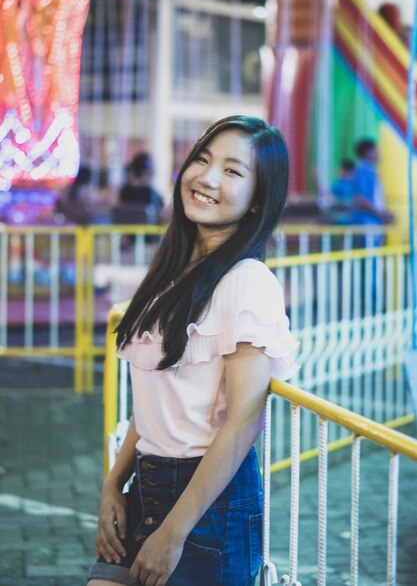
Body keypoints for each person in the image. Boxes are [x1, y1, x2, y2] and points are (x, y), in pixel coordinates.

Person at [87, 115, 298, 586]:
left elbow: (243, 421)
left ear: (256, 201)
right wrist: (113, 483)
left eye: (232, 170)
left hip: (208, 503)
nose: (206, 178)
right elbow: (159, 403)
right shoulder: (173, 275)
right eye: (202, 160)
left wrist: (174, 531)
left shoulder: (248, 281)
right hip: (148, 483)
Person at [353, 138, 394, 245]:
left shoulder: (371, 171)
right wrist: (381, 214)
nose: (379, 153)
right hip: (367, 222)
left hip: (374, 221)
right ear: (368, 153)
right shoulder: (363, 171)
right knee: (369, 258)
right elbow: (361, 200)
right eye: (376, 150)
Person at [115, 153, 165, 225]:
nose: (154, 171)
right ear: (144, 171)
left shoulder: (125, 190)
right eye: (151, 168)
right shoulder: (149, 193)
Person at [330, 159, 356, 224]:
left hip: (346, 220)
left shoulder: (337, 185)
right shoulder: (337, 184)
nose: (339, 172)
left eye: (340, 169)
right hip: (341, 220)